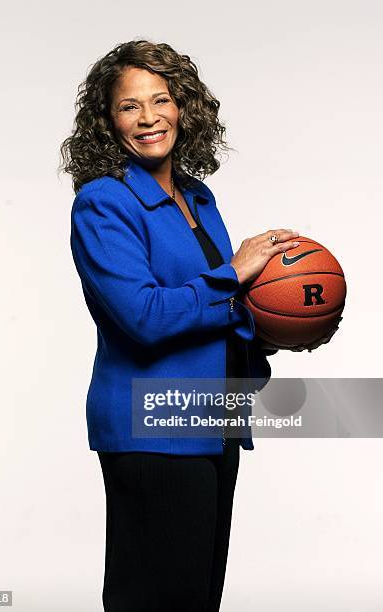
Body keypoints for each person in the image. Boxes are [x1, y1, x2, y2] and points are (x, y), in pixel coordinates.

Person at [59, 39, 337, 612]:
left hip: (214, 415)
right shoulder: (103, 203)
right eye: (128, 106)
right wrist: (237, 272)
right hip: (150, 421)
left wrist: (277, 329)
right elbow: (144, 317)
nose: (148, 118)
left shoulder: (197, 197)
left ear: (183, 108)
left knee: (199, 595)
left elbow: (216, 307)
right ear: (107, 122)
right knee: (157, 597)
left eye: (160, 100)